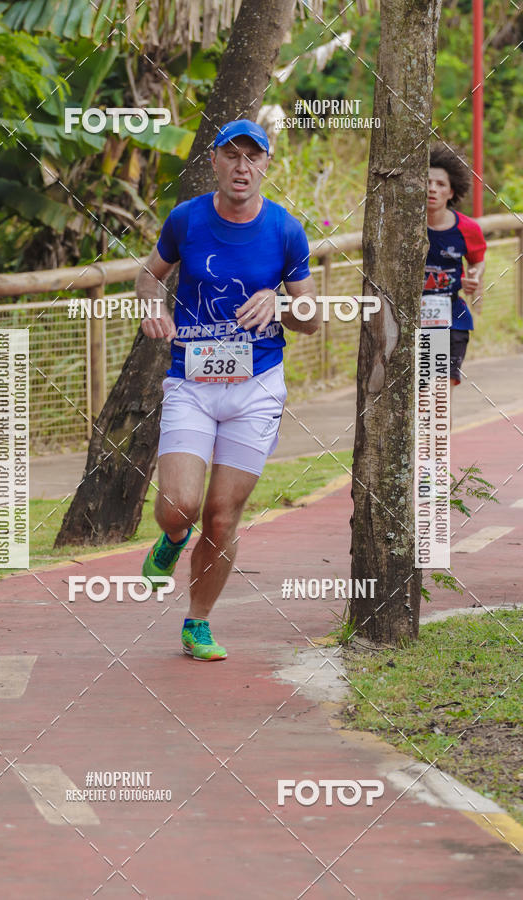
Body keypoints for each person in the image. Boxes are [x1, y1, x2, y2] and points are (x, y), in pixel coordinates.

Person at [136, 119, 320, 660]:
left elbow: (312, 318)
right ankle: (173, 538)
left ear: (266, 165)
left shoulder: (285, 229)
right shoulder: (186, 219)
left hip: (256, 387)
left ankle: (197, 623)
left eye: (252, 157)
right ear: (214, 161)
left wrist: (280, 304)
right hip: (192, 383)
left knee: (221, 516)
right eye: (232, 156)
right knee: (180, 507)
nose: (242, 167)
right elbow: (150, 275)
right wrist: (153, 307)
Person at [424, 143, 487, 413]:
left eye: (440, 184)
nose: (432, 189)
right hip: (410, 321)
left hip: (452, 319)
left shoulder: (467, 229)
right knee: (420, 399)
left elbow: (478, 261)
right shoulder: (403, 227)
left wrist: (474, 276)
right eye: (427, 182)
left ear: (451, 191)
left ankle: (438, 443)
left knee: (439, 396)